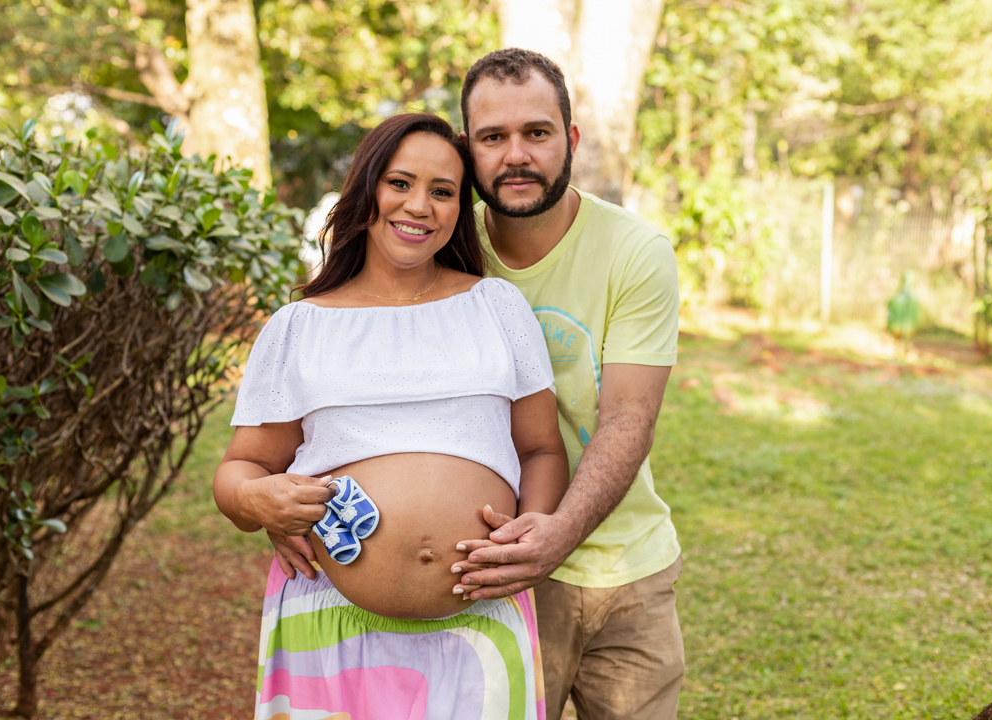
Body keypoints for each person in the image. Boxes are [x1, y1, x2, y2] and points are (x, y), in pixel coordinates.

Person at [212, 113, 569, 720]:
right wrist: (257, 503)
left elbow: (541, 449)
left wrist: (531, 532)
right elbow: (241, 468)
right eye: (400, 183)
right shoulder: (300, 326)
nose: (420, 206)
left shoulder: (495, 307)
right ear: (367, 190)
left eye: (442, 191)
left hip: (479, 627)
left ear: (461, 208)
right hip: (329, 624)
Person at [452, 49, 685, 720]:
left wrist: (559, 532)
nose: (516, 154)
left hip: (627, 573)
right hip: (493, 573)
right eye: (494, 138)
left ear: (571, 139)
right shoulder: (445, 251)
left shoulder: (634, 252)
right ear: (469, 150)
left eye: (537, 132)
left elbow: (628, 419)